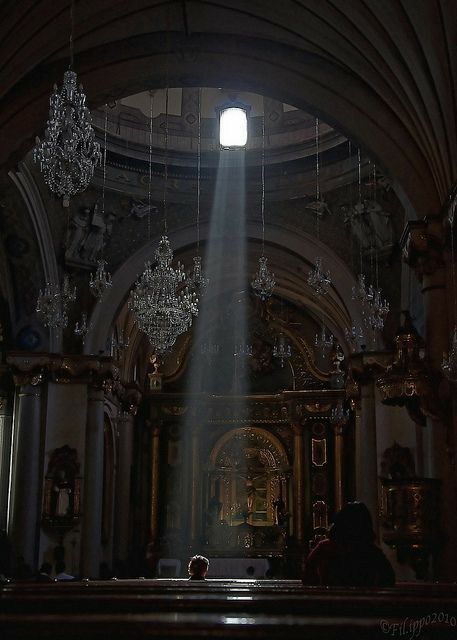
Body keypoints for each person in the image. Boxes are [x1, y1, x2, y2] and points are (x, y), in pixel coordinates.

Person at [302, 502, 395, 587]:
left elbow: (308, 576)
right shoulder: (372, 552)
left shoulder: (325, 548)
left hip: (329, 602)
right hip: (366, 603)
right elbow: (388, 579)